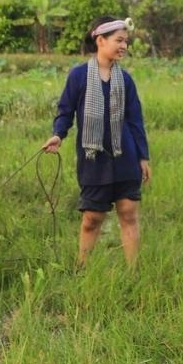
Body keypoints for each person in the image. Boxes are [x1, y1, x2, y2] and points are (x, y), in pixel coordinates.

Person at [43, 16, 151, 266]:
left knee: (129, 214)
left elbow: (136, 120)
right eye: (119, 40)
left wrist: (143, 157)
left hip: (126, 157)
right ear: (100, 40)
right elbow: (65, 111)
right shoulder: (79, 76)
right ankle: (81, 269)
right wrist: (58, 134)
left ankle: (134, 273)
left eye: (126, 41)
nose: (123, 46)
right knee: (92, 218)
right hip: (93, 159)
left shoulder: (125, 80)